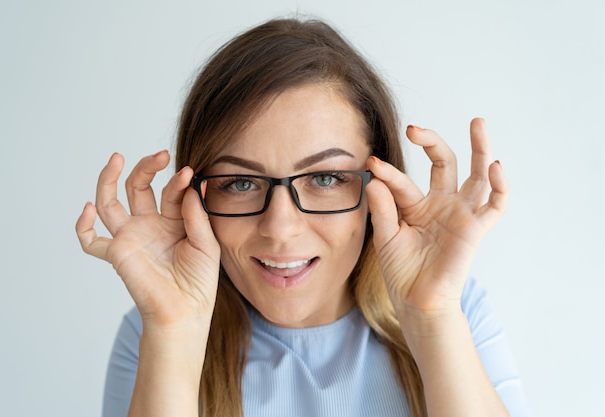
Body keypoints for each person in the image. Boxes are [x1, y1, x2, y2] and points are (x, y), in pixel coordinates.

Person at [76, 17, 529, 417]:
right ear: (193, 195)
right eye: (239, 182)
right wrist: (172, 334)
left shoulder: (457, 309)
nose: (280, 228)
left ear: (380, 188)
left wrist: (432, 319)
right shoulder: (153, 328)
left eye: (327, 178)